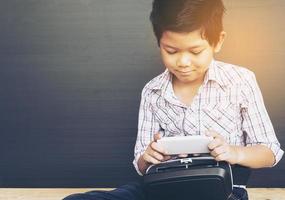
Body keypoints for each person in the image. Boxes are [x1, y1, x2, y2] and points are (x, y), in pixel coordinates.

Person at [63, 0, 283, 199]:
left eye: (195, 51)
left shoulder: (240, 80)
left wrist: (234, 152)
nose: (183, 62)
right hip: (163, 186)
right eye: (171, 50)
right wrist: (148, 156)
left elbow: (270, 152)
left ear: (218, 42)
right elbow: (141, 165)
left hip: (222, 189)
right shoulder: (153, 91)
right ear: (159, 43)